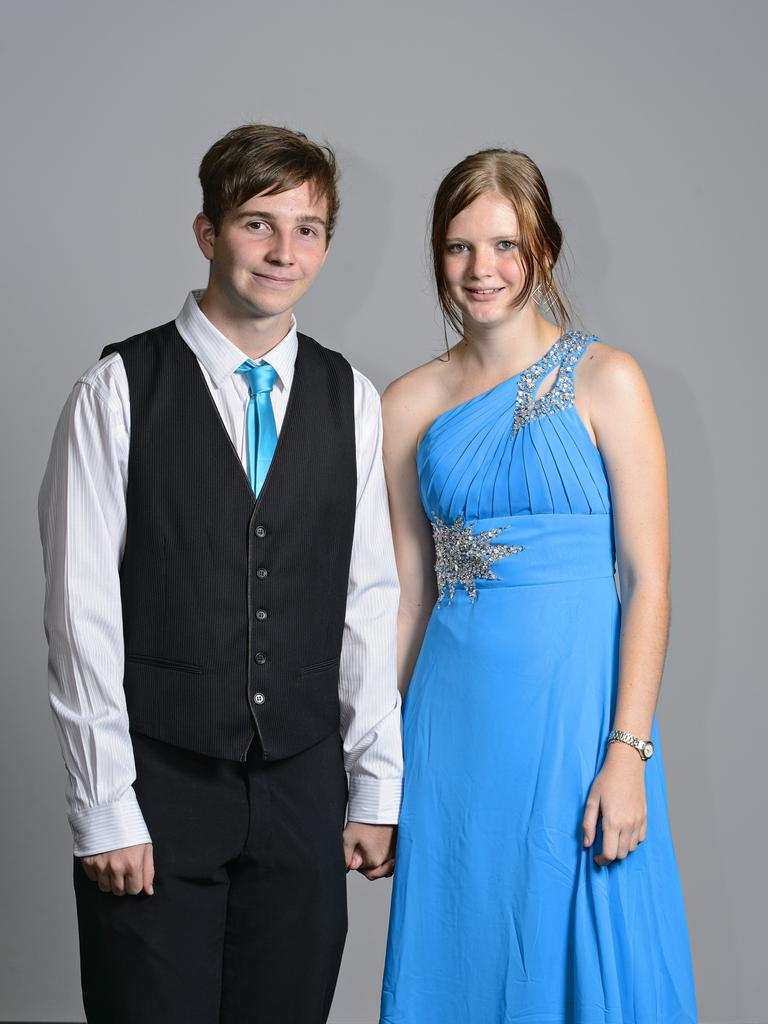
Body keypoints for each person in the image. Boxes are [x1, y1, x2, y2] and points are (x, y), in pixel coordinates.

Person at [38, 123, 402, 1024]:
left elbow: (367, 600)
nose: (285, 252)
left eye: (308, 228)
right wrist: (104, 806)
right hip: (159, 787)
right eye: (257, 223)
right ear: (208, 233)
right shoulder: (118, 388)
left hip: (303, 791)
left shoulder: (349, 394)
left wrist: (377, 787)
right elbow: (82, 615)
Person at [379, 148, 697, 1023]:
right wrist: (381, 768)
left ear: (544, 252)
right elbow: (409, 600)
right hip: (452, 727)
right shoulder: (405, 403)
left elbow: (650, 582)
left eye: (505, 246)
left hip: (578, 719)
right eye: (457, 247)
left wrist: (627, 755)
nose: (481, 270)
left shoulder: (609, 381)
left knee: (577, 953)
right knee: (464, 948)